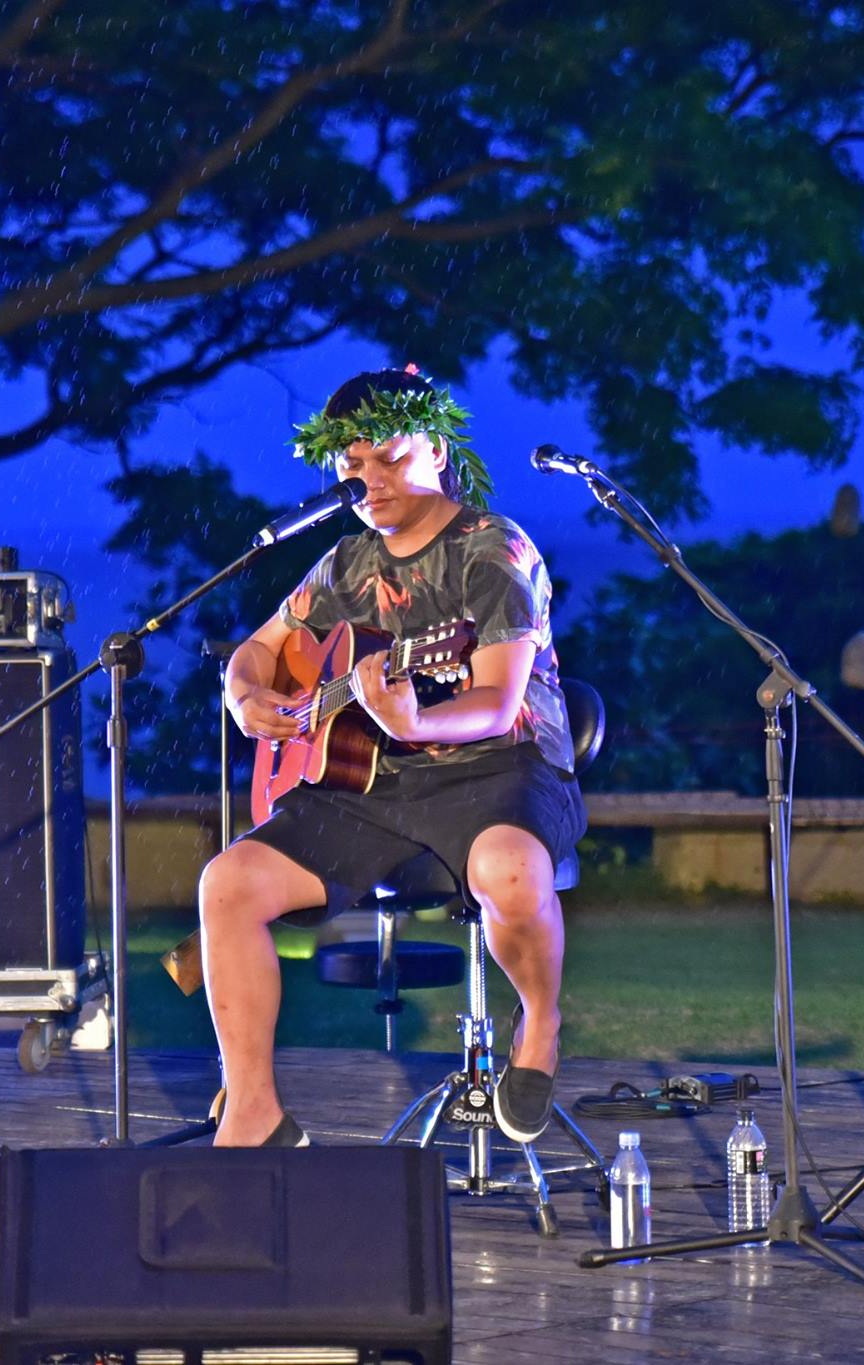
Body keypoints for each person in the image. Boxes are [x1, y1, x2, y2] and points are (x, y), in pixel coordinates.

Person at [199, 366, 586, 1148]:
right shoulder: (344, 567)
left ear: (437, 450)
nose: (370, 482)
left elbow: (498, 702)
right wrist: (244, 696)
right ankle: (254, 1111)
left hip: (503, 768)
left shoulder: (493, 548)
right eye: (352, 467)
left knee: (508, 870)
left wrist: (413, 716)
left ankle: (540, 1022)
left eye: (390, 459)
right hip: (371, 781)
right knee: (228, 883)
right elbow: (258, 650)